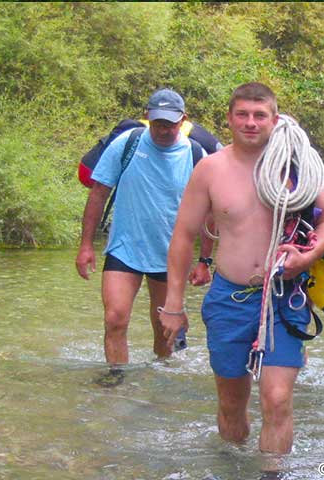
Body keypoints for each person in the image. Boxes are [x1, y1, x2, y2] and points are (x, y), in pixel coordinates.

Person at [159, 82, 324, 454]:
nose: (251, 123)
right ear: (229, 118)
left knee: (276, 399)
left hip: (283, 297)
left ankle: (272, 474)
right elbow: (182, 236)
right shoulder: (211, 169)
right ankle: (233, 466)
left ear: (275, 119)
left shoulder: (296, 167)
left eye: (260, 115)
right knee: (231, 404)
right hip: (229, 296)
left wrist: (307, 257)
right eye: (242, 114)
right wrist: (173, 305)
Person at [75, 88, 213, 386]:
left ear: (183, 120)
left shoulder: (195, 155)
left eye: (170, 124)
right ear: (147, 116)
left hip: (171, 254)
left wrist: (205, 259)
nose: (163, 130)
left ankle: (161, 380)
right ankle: (117, 378)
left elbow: (208, 212)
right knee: (115, 318)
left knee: (164, 327)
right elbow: (99, 193)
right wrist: (86, 245)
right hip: (125, 248)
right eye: (158, 122)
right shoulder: (128, 143)